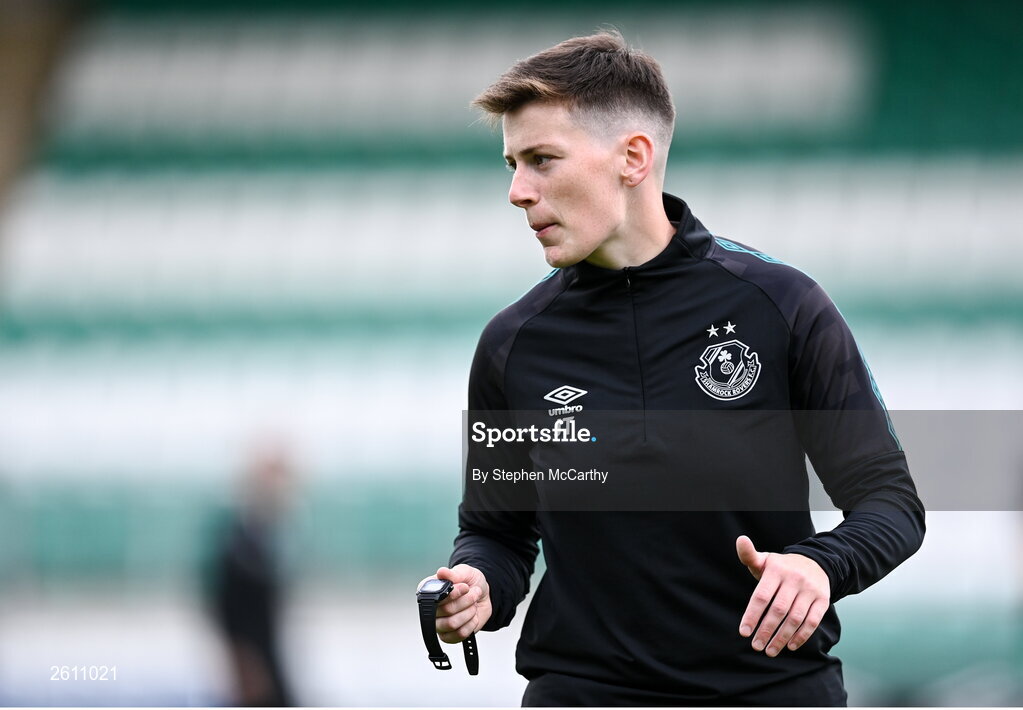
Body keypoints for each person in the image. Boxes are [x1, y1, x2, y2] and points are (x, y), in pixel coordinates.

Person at [421, 30, 924, 706]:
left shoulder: (781, 306)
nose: (517, 191)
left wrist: (820, 565)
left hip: (770, 691)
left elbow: (891, 503)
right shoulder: (512, 343)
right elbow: (496, 533)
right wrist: (476, 585)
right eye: (512, 164)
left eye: (541, 160)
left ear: (633, 158)